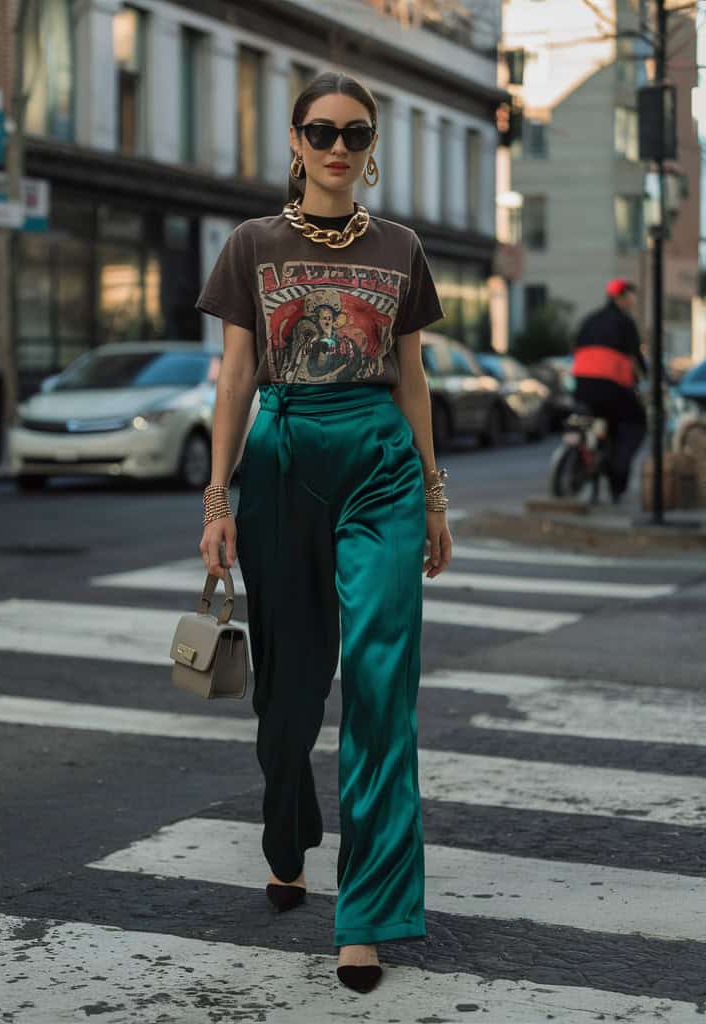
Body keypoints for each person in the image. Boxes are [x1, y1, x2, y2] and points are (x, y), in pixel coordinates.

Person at [195, 71, 452, 994]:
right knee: (289, 697)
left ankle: (367, 916)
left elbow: (413, 376)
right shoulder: (251, 244)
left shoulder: (402, 247)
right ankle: (288, 830)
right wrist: (217, 500)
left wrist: (433, 495)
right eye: (321, 131)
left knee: (381, 686)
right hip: (283, 460)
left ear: (371, 148)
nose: (338, 147)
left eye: (356, 133)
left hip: (380, 463)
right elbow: (235, 379)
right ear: (295, 142)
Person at [572, 278, 648, 501]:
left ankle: (592, 455)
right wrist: (647, 377)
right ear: (621, 298)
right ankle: (618, 476)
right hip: (612, 388)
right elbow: (636, 358)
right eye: (631, 297)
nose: (632, 301)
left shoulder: (590, 320)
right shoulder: (625, 322)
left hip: (582, 386)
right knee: (636, 423)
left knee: (597, 420)